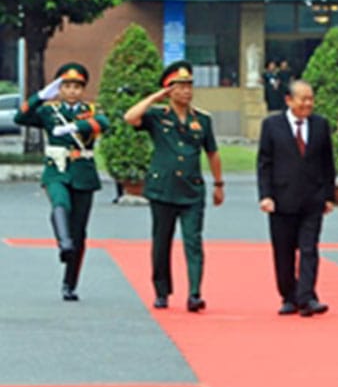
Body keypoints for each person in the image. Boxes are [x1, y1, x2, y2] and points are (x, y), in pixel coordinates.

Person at [125, 60, 224, 312]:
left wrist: (218, 183)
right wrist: (157, 97)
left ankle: (194, 293)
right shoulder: (158, 116)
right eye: (179, 86)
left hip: (192, 189)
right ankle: (161, 291)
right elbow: (130, 117)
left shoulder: (202, 119)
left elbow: (212, 153)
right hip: (163, 189)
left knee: (193, 241)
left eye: (189, 86)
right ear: (169, 90)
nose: (186, 91)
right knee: (161, 242)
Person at [14, 62, 110, 301]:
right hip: (56, 170)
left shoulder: (90, 109)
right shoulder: (49, 111)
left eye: (77, 86)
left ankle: (70, 282)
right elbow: (20, 117)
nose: (72, 91)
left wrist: (75, 126)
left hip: (83, 173)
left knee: (80, 232)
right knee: (59, 202)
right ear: (59, 89)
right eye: (66, 86)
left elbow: (103, 124)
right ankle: (63, 243)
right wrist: (40, 96)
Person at [257, 79, 336, 316]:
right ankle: (288, 296)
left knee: (309, 248)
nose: (308, 103)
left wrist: (329, 196)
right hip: (281, 199)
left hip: (312, 199)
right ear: (289, 100)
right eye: (303, 99)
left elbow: (327, 163)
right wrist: (266, 195)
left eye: (311, 98)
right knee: (284, 252)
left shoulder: (321, 125)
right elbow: (264, 164)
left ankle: (307, 297)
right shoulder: (272, 125)